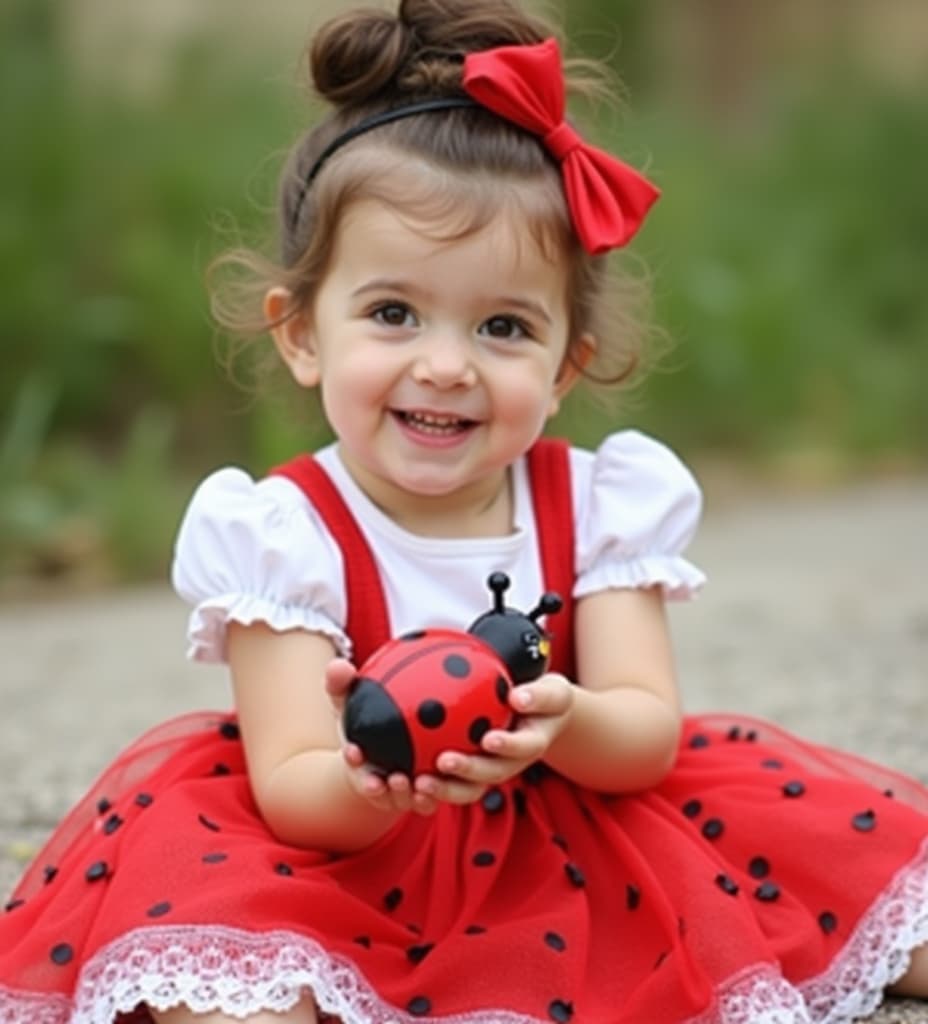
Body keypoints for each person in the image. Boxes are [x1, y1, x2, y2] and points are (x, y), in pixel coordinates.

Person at [2, 1, 927, 1021]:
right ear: (301, 333)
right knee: (227, 978)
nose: (445, 365)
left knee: (868, 891)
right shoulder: (280, 532)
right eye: (392, 313)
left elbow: (644, 732)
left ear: (566, 362)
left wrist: (563, 721)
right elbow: (296, 786)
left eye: (502, 325)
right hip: (350, 847)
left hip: (583, 830)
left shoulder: (598, 502)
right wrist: (375, 785)